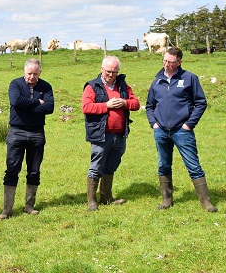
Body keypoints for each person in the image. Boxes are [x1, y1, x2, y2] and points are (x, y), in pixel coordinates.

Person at [146, 47, 217, 212]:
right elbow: (150, 105)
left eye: (170, 62)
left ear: (179, 62)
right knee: (163, 165)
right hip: (161, 131)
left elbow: (201, 103)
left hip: (182, 131)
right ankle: (166, 199)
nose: (166, 65)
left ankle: (206, 202)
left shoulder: (189, 78)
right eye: (164, 61)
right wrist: (154, 123)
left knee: (193, 165)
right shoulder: (157, 81)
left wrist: (189, 124)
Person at [0, 58, 55, 219]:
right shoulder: (15, 84)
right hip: (17, 132)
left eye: (35, 74)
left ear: (40, 73)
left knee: (34, 170)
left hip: (37, 133)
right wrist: (37, 102)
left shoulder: (46, 86)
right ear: (24, 71)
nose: (31, 77)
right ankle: (7, 210)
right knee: (12, 169)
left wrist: (26, 106)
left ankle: (29, 206)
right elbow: (15, 101)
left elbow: (49, 108)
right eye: (29, 73)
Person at [81, 56, 140, 211]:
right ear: (102, 69)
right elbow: (86, 107)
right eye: (108, 71)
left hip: (120, 135)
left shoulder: (122, 86)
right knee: (96, 166)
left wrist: (125, 103)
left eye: (114, 72)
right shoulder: (92, 86)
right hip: (101, 134)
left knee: (111, 165)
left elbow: (136, 104)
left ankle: (106, 197)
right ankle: (92, 201)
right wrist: (106, 105)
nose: (111, 74)